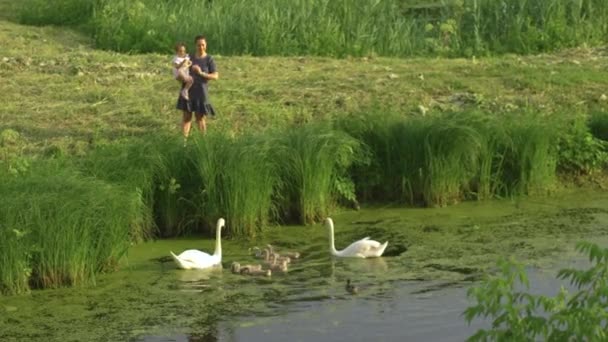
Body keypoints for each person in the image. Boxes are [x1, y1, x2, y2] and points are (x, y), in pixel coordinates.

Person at [176, 35, 219, 139]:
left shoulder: (209, 59)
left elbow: (215, 76)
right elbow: (179, 70)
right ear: (195, 45)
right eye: (199, 45)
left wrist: (201, 73)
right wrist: (181, 77)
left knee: (200, 118)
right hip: (188, 91)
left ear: (206, 45)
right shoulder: (189, 57)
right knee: (186, 117)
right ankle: (183, 143)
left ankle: (203, 142)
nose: (201, 47)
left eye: (203, 45)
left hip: (201, 91)